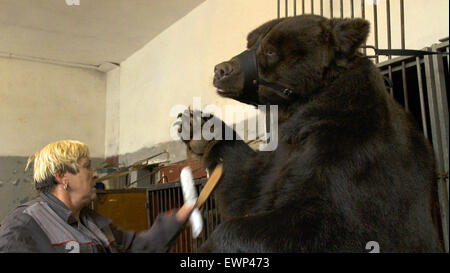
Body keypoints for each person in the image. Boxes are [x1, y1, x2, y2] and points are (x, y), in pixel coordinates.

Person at [0, 140, 194, 253]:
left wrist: (177, 219)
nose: (94, 174)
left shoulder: (95, 222)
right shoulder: (24, 225)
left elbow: (138, 248)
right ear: (62, 176)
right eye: (86, 167)